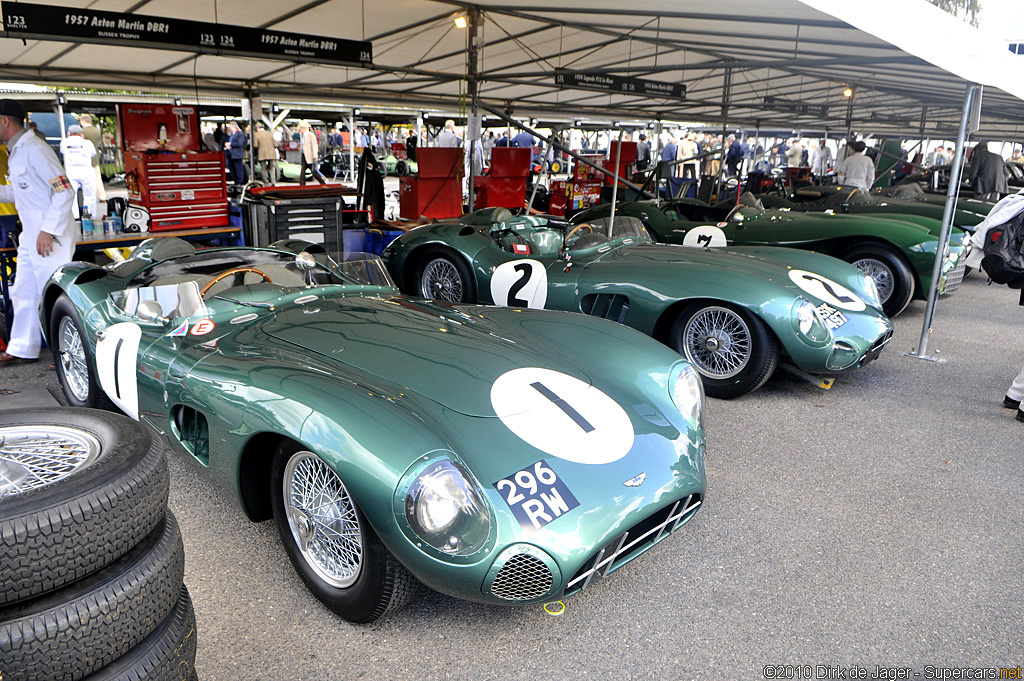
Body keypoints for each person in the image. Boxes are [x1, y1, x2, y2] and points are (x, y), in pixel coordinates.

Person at [0, 99, 75, 364]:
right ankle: (22, 347)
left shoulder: (35, 149)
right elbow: (22, 191)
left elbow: (65, 190)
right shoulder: (17, 151)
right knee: (23, 291)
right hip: (30, 236)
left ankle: (64, 352)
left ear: (5, 120)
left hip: (49, 238)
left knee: (51, 294)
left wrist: (48, 230)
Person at [59, 124, 98, 219]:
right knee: (90, 194)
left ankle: (74, 216)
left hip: (71, 170)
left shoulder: (64, 143)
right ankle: (89, 214)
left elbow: (63, 151)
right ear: (81, 133)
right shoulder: (87, 143)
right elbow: (93, 153)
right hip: (86, 169)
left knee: (72, 194)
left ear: (69, 133)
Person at [78, 114, 106, 204]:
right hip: (95, 158)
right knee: (98, 178)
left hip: (84, 159)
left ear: (83, 121)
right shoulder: (97, 131)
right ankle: (102, 196)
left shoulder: (82, 131)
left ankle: (87, 197)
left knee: (85, 180)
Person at [298, 122, 326, 186]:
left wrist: (315, 156)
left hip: (310, 156)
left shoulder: (311, 135)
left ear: (304, 128)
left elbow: (314, 145)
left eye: (301, 128)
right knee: (303, 171)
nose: (300, 130)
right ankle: (302, 185)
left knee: (314, 171)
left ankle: (322, 182)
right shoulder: (302, 136)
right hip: (304, 155)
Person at [225, 121, 247, 186]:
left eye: (230, 126)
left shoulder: (240, 134)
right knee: (232, 168)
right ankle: (235, 181)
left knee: (238, 169)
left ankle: (239, 182)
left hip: (237, 155)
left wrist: (230, 144)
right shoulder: (232, 134)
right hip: (231, 154)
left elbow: (240, 143)